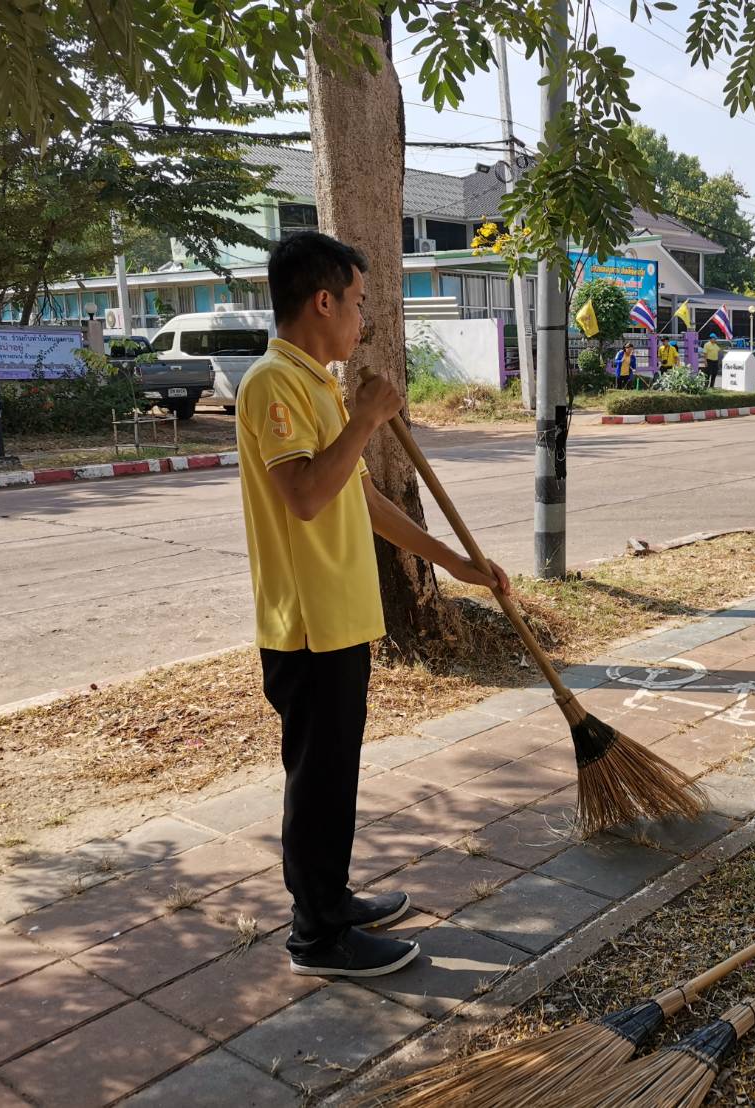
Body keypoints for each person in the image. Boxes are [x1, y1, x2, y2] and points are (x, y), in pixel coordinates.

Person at [236, 232, 511, 978]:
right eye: (359, 303)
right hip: (307, 624)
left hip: (340, 617)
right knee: (318, 780)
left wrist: (454, 563)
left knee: (335, 774)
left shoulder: (318, 384)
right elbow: (304, 496)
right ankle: (317, 937)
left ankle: (332, 899)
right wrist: (364, 420)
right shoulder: (273, 383)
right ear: (323, 301)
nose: (364, 320)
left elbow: (359, 498)